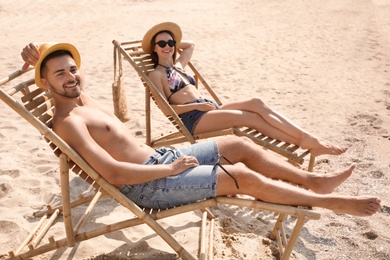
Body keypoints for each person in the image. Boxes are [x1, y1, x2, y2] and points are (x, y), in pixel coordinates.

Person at [20, 41, 381, 217]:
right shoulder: (67, 122)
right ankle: (329, 201)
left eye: (72, 69)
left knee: (239, 145)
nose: (71, 77)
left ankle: (313, 181)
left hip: (161, 160)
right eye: (60, 73)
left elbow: (60, 78)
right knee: (239, 175)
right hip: (148, 184)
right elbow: (113, 173)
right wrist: (169, 169)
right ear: (47, 84)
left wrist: (40, 62)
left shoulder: (83, 100)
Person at [142, 22, 348, 158]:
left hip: (208, 109)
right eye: (161, 43)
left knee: (255, 103)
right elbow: (167, 110)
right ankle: (308, 142)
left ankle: (306, 138)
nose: (167, 46)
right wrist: (197, 105)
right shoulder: (156, 74)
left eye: (170, 42)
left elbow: (190, 45)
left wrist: (171, 44)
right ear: (154, 48)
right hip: (193, 118)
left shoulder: (178, 66)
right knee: (250, 118)